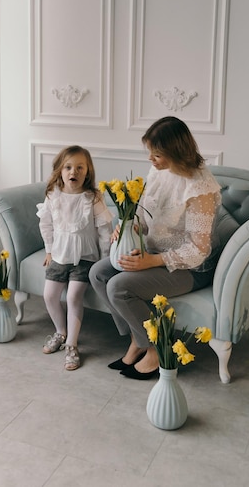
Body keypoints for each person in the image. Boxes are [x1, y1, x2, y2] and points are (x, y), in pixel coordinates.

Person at [89, 116, 221, 379]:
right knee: (99, 273)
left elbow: (198, 249)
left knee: (119, 286)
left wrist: (151, 261)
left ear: (175, 152)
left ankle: (158, 349)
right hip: (150, 253)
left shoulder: (200, 188)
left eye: (157, 153)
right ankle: (140, 340)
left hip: (190, 268)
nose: (151, 158)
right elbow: (144, 218)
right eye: (150, 152)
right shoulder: (159, 172)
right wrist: (128, 227)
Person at [37, 145, 113, 371]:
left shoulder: (93, 197)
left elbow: (105, 229)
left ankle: (72, 344)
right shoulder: (53, 196)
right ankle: (61, 332)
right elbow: (46, 224)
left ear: (88, 172)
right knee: (49, 295)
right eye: (68, 167)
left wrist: (104, 259)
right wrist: (49, 250)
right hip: (59, 256)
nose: (74, 172)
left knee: (73, 297)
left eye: (80, 167)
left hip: (85, 258)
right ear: (60, 171)